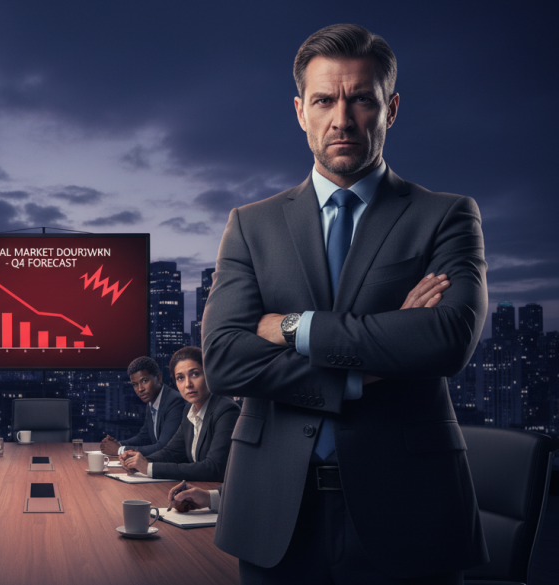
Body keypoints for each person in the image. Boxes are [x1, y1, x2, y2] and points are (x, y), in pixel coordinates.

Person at [176, 24, 489, 584]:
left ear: (391, 108)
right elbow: (224, 359)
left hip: (409, 505)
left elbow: (446, 339)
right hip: (273, 509)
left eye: (361, 99)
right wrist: (363, 367)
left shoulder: (445, 215)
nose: (342, 119)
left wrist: (292, 327)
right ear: (301, 111)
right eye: (324, 100)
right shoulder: (251, 226)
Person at [121, 347, 239, 481]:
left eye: (195, 374)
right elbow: (171, 453)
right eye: (180, 378)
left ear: (208, 374)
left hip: (220, 496)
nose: (188, 384)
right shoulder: (189, 409)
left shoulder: (226, 410)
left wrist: (148, 468)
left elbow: (214, 468)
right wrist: (137, 461)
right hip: (198, 488)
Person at [100, 356, 184, 457]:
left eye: (144, 381)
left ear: (159, 378)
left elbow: (163, 447)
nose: (140, 389)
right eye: (135, 384)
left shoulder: (174, 401)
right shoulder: (152, 401)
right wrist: (118, 444)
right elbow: (144, 437)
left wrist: (119, 450)